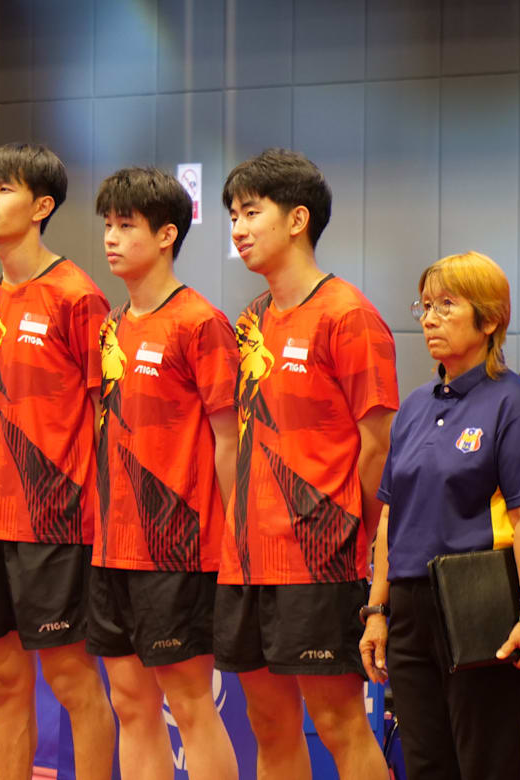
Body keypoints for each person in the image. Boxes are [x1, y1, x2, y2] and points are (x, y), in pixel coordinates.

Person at [219, 148, 395, 780]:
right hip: (245, 559)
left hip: (320, 556)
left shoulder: (349, 315)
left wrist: (352, 535)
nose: (237, 229)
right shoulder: (250, 321)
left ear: (297, 219)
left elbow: (378, 448)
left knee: (340, 724)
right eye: (232, 216)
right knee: (268, 724)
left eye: (251, 212)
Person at [360, 252, 520, 780]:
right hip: (409, 609)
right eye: (425, 306)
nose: (429, 318)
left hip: (480, 604)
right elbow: (390, 516)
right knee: (426, 765)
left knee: (485, 765)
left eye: (446, 305)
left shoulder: (513, 404)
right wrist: (377, 610)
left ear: (489, 319)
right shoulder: (415, 406)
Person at [0, 142, 116, 779]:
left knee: (72, 678)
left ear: (41, 206)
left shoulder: (77, 296)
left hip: (55, 521)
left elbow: (107, 415)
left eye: (4, 189)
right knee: (3, 678)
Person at [90, 168, 239, 780]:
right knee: (130, 703)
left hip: (179, 548)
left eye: (127, 225)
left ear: (167, 235)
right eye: (107, 224)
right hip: (112, 547)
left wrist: (235, 542)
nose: (111, 237)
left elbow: (231, 441)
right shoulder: (111, 326)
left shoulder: (201, 323)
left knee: (190, 704)